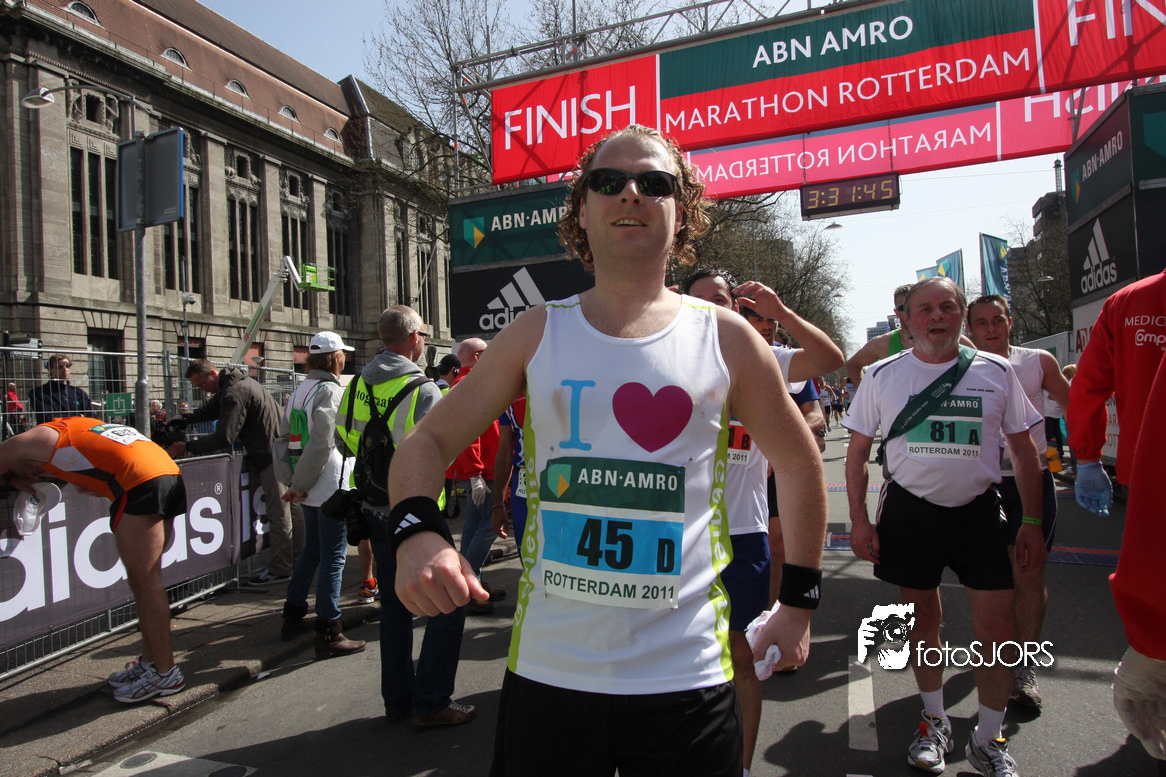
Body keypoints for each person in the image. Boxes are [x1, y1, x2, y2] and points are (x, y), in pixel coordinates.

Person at [386, 125, 828, 777]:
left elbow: (798, 462)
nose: (630, 193)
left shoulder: (728, 338)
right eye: (609, 180)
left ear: (682, 213)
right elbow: (426, 440)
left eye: (655, 182)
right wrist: (416, 531)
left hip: (687, 673)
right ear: (582, 209)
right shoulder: (537, 331)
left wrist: (798, 602)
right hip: (551, 671)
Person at [844, 276, 1044, 777]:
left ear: (960, 315)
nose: (937, 316)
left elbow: (1024, 451)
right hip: (911, 514)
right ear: (907, 321)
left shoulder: (997, 371)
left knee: (999, 628)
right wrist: (859, 520)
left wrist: (1032, 521)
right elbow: (858, 452)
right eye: (926, 309)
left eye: (948, 307)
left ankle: (988, 739)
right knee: (924, 621)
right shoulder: (882, 374)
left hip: (980, 513)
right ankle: (934, 722)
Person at [682, 266, 839, 775]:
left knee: (741, 657)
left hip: (743, 538)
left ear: (736, 307)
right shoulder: (666, 358)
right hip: (679, 538)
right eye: (702, 299)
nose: (714, 307)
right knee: (678, 661)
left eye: (723, 299)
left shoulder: (760, 356)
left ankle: (742, 768)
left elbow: (830, 360)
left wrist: (781, 313)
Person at [335, 305, 475, 727]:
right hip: (415, 511)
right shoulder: (424, 389)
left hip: (373, 506)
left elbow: (343, 442)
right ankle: (431, 702)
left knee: (395, 606)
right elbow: (440, 452)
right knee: (451, 599)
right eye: (424, 335)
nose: (425, 341)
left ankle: (397, 701)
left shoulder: (357, 383)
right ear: (414, 337)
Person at [0, 417, 187, 702]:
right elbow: (88, 483)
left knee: (146, 582)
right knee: (148, 582)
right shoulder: (72, 430)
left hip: (141, 480)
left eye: (34, 473)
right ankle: (151, 665)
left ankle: (165, 673)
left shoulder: (29, 443)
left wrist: (10, 478)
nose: (36, 476)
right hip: (164, 471)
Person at [1066, 269, 1166, 764]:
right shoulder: (1129, 304)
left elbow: (1087, 386)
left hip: (1151, 472)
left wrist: (1088, 457)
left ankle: (1151, 662)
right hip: (1150, 471)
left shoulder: (1129, 303)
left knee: (1155, 574)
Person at [967, 294, 1071, 712]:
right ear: (970, 329)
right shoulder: (959, 368)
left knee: (1029, 571)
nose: (991, 328)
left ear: (1010, 322)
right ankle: (999, 653)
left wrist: (1084, 459)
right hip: (983, 485)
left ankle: (1024, 668)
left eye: (998, 320)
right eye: (982, 323)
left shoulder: (1038, 362)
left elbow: (1074, 403)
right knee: (995, 580)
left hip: (1032, 481)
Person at [273, 331, 366, 659]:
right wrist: (299, 483)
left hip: (308, 484)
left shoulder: (300, 390)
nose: (345, 359)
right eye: (343, 354)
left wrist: (292, 482)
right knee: (333, 557)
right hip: (327, 484)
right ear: (335, 358)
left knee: (312, 551)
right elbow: (324, 441)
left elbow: (283, 439)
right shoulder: (330, 390)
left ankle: (293, 614)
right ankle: (329, 630)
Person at [168, 359, 295, 586]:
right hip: (279, 451)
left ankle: (282, 568)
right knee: (292, 508)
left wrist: (187, 446)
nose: (202, 390)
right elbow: (212, 409)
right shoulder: (237, 383)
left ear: (213, 374)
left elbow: (224, 436)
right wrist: (186, 419)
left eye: (202, 384)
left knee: (280, 513)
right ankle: (300, 560)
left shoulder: (233, 391)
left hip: (270, 456)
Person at [445, 337, 505, 614]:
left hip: (484, 468)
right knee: (488, 526)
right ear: (479, 356)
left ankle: (473, 581)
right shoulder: (470, 384)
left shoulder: (468, 383)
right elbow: (468, 433)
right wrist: (475, 473)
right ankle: (468, 584)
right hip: (485, 469)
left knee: (474, 526)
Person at [846, 286, 976, 387]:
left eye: (915, 306)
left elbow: (982, 369)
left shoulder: (955, 341)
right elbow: (852, 365)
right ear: (896, 312)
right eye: (903, 307)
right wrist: (868, 396)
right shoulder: (883, 343)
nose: (908, 311)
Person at [27, 354, 93, 426]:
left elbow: (91, 416)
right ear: (50, 369)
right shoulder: (39, 393)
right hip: (54, 431)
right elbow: (47, 418)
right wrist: (78, 418)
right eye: (60, 367)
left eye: (67, 366)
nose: (65, 369)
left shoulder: (78, 393)